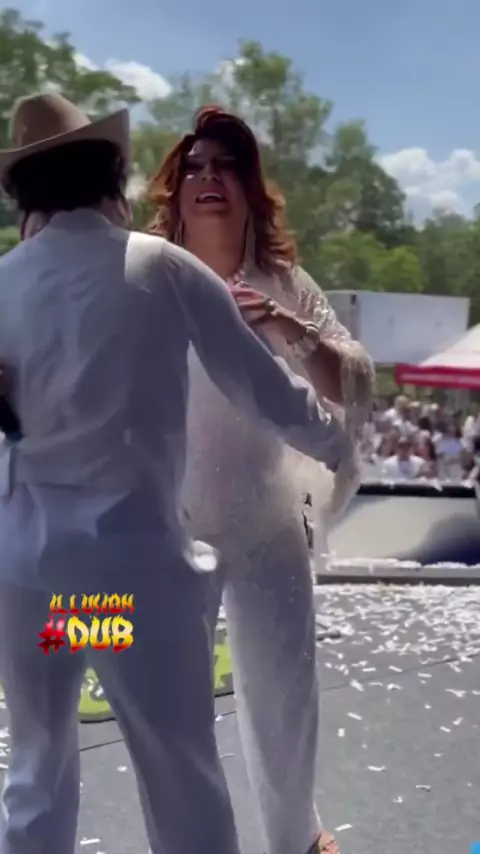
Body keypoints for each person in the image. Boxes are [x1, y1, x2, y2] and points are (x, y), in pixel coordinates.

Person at [0, 94, 350, 854]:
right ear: (113, 173)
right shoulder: (160, 267)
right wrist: (335, 442)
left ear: (24, 193)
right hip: (128, 576)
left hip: (33, 578)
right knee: (177, 774)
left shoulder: (4, 282)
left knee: (37, 773)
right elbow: (266, 390)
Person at [147, 106, 374, 854]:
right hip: (170, 525)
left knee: (284, 704)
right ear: (176, 192)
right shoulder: (146, 277)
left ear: (250, 187)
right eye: (194, 168)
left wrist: (287, 328)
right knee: (171, 709)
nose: (208, 177)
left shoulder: (286, 283)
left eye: (226, 165)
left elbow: (352, 380)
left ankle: (295, 842)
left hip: (268, 518)